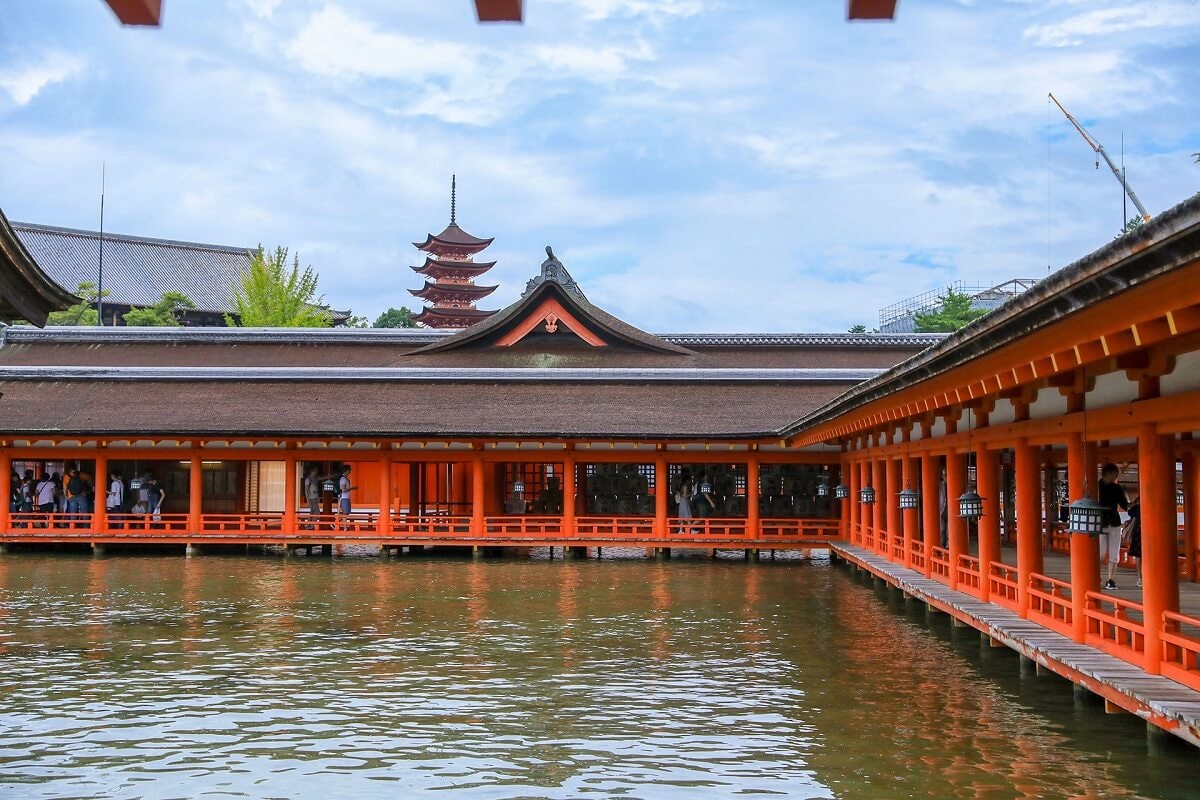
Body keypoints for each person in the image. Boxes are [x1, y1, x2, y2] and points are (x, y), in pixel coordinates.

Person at [1098, 463, 1129, 590]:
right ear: (1108, 473)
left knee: (1114, 553)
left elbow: (1124, 505)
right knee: (1100, 552)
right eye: (1115, 472)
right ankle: (1097, 576)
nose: (1117, 475)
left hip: (1114, 522)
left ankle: (1110, 579)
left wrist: (1132, 501)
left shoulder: (1117, 488)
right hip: (1100, 522)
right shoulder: (1096, 486)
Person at [1121, 485, 1142, 589]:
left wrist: (1128, 498)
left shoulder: (1137, 507)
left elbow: (1129, 510)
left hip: (1138, 531)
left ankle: (1140, 578)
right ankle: (1142, 577)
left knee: (1139, 556)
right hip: (1143, 532)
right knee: (1141, 556)